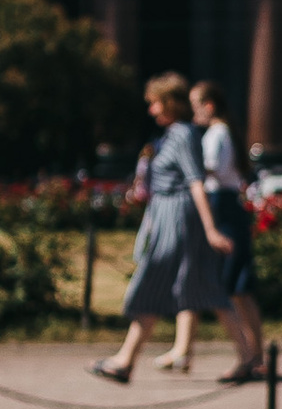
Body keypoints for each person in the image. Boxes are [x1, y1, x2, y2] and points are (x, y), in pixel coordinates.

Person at [94, 74, 235, 381]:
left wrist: (211, 230)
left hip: (177, 217)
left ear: (170, 102)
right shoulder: (174, 133)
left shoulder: (183, 134)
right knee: (201, 287)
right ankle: (250, 355)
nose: (152, 110)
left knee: (153, 280)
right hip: (168, 214)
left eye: (155, 103)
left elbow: (196, 182)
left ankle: (125, 360)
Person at [189, 78, 266, 380]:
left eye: (195, 106)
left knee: (234, 287)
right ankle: (255, 354)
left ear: (209, 106)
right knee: (238, 288)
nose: (193, 112)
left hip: (223, 207)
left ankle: (251, 355)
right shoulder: (224, 133)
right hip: (228, 206)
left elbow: (208, 169)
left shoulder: (217, 134)